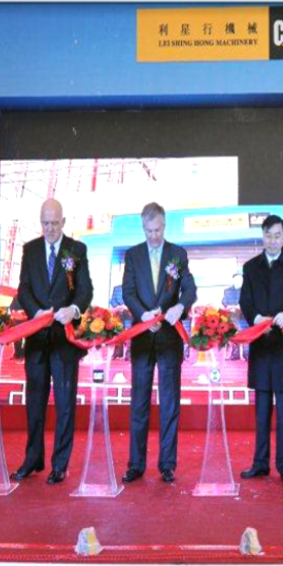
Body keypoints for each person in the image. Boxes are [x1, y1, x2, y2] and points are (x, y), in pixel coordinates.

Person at [10, 199, 94, 485]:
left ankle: (60, 464)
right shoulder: (30, 250)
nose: (50, 228)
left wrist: (74, 310)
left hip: (64, 340)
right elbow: (23, 289)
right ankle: (33, 459)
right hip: (37, 338)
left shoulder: (76, 250)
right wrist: (36, 312)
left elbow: (85, 290)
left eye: (55, 223)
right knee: (34, 402)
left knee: (65, 403)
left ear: (63, 222)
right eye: (45, 223)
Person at [121, 203, 197, 483]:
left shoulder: (178, 254)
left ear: (165, 225)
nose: (153, 236)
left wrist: (181, 306)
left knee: (170, 403)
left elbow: (189, 288)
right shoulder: (133, 255)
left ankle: (167, 464)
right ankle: (136, 464)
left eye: (158, 230)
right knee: (139, 403)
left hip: (168, 338)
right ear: (143, 227)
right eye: (149, 230)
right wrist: (143, 315)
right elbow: (128, 292)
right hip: (143, 337)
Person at [239, 215, 283, 484]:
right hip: (261, 344)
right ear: (262, 236)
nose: (273, 241)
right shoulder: (250, 267)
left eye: (277, 236)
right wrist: (257, 319)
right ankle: (260, 463)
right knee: (261, 412)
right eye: (268, 236)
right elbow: (246, 301)